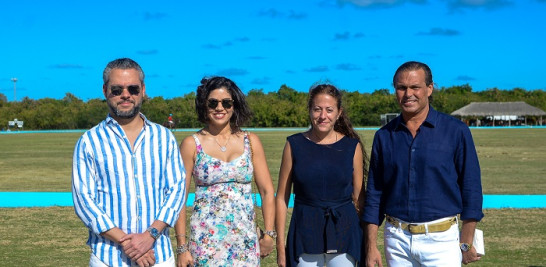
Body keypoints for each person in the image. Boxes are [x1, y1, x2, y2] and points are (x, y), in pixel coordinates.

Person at [362, 61, 484, 267]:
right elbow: (375, 193)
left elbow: (471, 186)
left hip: (442, 240)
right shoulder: (384, 136)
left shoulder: (456, 131)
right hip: (396, 240)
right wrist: (371, 245)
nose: (408, 93)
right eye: (401, 88)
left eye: (415, 87)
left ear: (429, 88)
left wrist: (466, 239)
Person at [72, 58, 187, 267]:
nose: (126, 95)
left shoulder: (164, 137)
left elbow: (177, 190)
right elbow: (84, 201)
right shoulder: (89, 141)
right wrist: (129, 243)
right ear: (105, 90)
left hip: (158, 256)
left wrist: (150, 236)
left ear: (143, 90)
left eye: (132, 88)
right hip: (108, 258)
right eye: (117, 89)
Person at [174, 76, 276, 266]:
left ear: (234, 105)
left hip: (244, 241)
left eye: (226, 102)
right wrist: (182, 247)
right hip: (205, 243)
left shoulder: (250, 141)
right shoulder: (191, 144)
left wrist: (269, 234)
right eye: (213, 102)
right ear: (204, 105)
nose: (220, 108)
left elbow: (267, 191)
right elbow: (179, 198)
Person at [276, 84, 368, 267]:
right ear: (310, 111)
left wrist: (367, 243)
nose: (323, 116)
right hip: (304, 229)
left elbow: (359, 199)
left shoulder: (352, 146)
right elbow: (281, 198)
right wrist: (280, 247)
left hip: (344, 230)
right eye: (317, 109)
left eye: (329, 110)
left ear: (339, 112)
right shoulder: (294, 144)